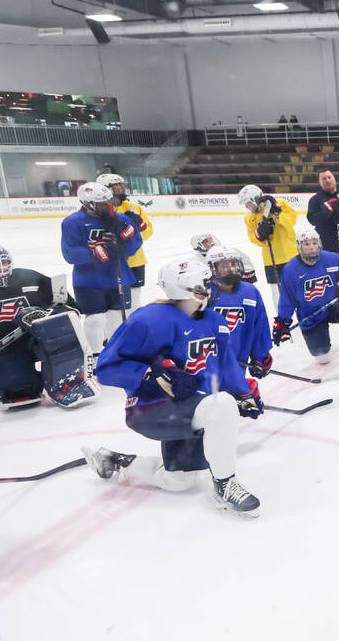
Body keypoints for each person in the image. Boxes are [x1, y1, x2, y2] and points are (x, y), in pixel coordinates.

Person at [84, 259, 264, 516]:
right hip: (151, 407)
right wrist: (150, 372)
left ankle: (115, 459)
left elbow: (224, 367)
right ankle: (225, 486)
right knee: (221, 405)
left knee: (179, 482)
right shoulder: (148, 320)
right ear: (185, 288)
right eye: (205, 284)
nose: (211, 288)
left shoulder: (214, 320)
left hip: (190, 404)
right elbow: (105, 369)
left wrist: (244, 392)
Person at [0, 243, 97, 409]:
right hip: (1, 349)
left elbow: (70, 307)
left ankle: (69, 382)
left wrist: (51, 314)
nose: (1, 268)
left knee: (63, 337)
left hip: (38, 339)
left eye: (4, 262)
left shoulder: (28, 277)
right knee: (21, 393)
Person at [60, 181, 142, 364]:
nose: (109, 205)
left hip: (119, 276)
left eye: (109, 201)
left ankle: (114, 352)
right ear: (89, 204)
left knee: (116, 318)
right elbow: (70, 252)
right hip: (88, 281)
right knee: (95, 320)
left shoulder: (121, 219)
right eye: (102, 203)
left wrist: (122, 248)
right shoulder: (72, 222)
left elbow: (135, 242)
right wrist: (95, 253)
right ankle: (94, 356)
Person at [273, 228, 339, 366]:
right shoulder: (290, 269)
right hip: (311, 314)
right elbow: (287, 298)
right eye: (306, 244)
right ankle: (321, 345)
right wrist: (282, 321)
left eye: (314, 243)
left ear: (319, 244)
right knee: (322, 356)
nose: (312, 248)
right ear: (299, 247)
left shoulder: (333, 258)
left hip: (334, 304)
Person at [205, 245, 273, 384]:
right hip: (208, 362)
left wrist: (260, 356)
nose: (231, 269)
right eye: (224, 265)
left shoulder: (249, 291)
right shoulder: (203, 294)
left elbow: (259, 324)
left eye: (234, 264)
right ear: (213, 269)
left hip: (238, 362)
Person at [97, 173, 152, 310]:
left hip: (136, 261)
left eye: (122, 185)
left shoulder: (133, 207)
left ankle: (134, 326)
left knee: (135, 298)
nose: (121, 188)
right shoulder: (99, 209)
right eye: (116, 186)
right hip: (112, 262)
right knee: (115, 301)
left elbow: (148, 232)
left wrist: (138, 228)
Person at [237, 184, 297, 309]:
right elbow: (255, 239)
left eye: (248, 203)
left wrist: (276, 213)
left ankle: (302, 316)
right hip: (271, 259)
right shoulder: (249, 218)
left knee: (296, 287)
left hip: (290, 255)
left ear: (256, 198)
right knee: (276, 291)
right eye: (245, 205)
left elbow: (291, 221)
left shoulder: (278, 203)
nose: (247, 207)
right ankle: (282, 320)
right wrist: (261, 234)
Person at [190, 233, 257, 284]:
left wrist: (245, 279)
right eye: (206, 241)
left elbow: (247, 264)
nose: (211, 243)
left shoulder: (229, 251)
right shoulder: (195, 261)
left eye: (211, 240)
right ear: (198, 245)